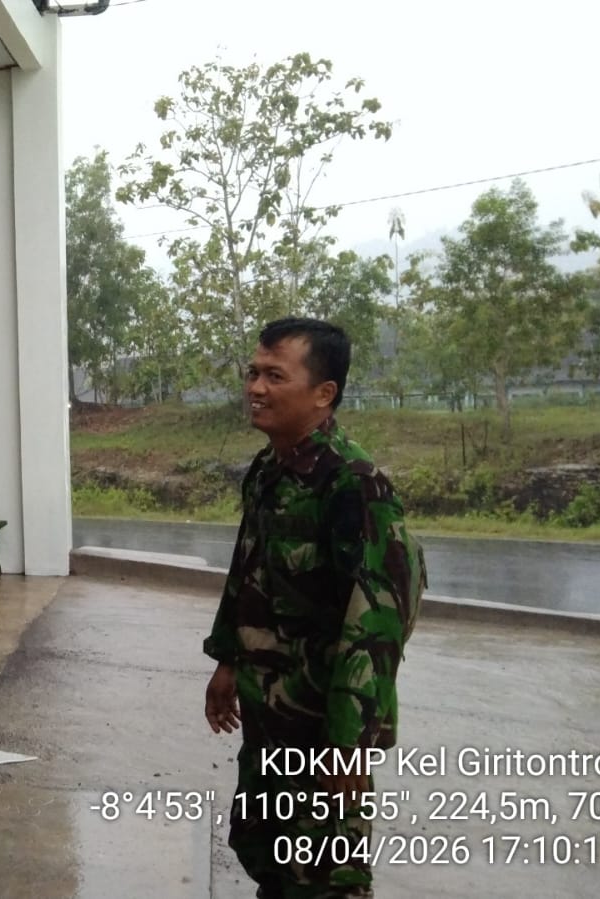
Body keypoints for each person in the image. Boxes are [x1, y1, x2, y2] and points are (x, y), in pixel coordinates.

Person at [203, 318, 425, 899]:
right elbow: (245, 569)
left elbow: (377, 623)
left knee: (327, 878)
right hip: (267, 713)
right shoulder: (267, 471)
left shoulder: (354, 485)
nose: (255, 387)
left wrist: (348, 743)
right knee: (268, 855)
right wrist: (226, 659)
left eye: (275, 375)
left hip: (321, 726)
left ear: (324, 393)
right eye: (253, 372)